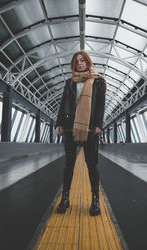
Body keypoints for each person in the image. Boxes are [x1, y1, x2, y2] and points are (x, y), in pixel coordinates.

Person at [55, 51, 106, 216]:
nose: (80, 63)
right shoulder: (70, 82)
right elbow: (63, 104)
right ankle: (65, 198)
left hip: (90, 129)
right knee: (69, 164)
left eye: (83, 61)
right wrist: (59, 123)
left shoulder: (98, 81)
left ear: (88, 62)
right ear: (74, 65)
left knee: (92, 165)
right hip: (70, 128)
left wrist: (98, 124)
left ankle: (95, 200)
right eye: (77, 62)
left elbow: (100, 104)